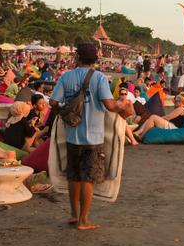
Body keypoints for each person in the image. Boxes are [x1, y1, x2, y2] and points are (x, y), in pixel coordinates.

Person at [48, 42, 132, 230]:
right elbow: (110, 106)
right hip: (93, 137)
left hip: (72, 135)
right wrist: (122, 105)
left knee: (74, 176)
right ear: (94, 59)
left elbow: (53, 101)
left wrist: (67, 109)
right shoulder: (99, 78)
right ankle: (83, 220)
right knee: (88, 178)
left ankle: (73, 214)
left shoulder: (66, 77)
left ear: (77, 57)